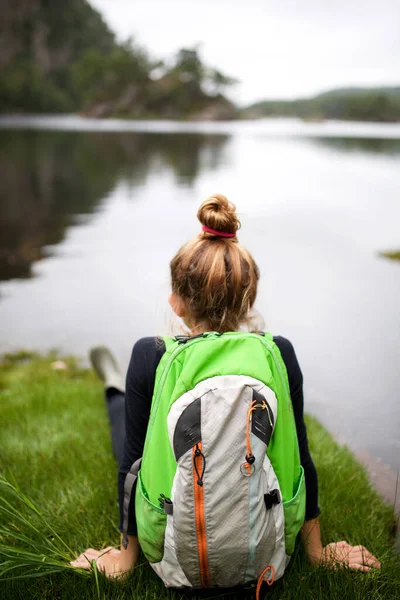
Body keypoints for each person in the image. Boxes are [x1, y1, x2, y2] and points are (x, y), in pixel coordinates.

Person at [71, 194, 380, 583]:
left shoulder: (150, 354)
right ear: (248, 299)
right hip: (269, 556)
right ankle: (115, 388)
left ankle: (113, 388)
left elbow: (133, 464)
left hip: (172, 559)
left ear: (177, 303)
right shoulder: (279, 353)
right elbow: (299, 457)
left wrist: (125, 556)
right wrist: (316, 551)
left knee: (128, 431)